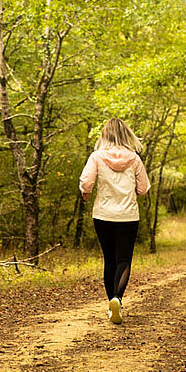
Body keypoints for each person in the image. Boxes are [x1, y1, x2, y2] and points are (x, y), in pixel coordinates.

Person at [79, 118, 151, 324]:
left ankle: (111, 304)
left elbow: (86, 183)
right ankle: (116, 299)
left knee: (109, 259)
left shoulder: (96, 157)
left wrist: (86, 194)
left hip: (103, 215)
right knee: (123, 260)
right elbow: (143, 189)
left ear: (105, 135)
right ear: (126, 135)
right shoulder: (134, 159)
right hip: (128, 216)